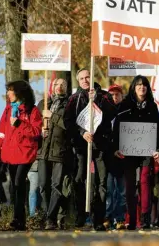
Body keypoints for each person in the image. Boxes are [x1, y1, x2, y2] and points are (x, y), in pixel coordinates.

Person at [0, 80, 43, 230]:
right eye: (8, 90)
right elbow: (1, 133)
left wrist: (20, 124)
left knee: (18, 183)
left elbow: (37, 132)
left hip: (25, 154)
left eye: (11, 90)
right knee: (14, 186)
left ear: (19, 92)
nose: (8, 94)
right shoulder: (7, 110)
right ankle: (18, 219)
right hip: (9, 155)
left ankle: (19, 219)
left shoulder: (33, 111)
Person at [64, 69, 115, 231]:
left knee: (101, 182)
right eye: (82, 78)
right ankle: (80, 214)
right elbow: (68, 121)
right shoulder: (74, 99)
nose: (85, 80)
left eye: (87, 77)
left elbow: (112, 113)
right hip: (81, 147)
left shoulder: (104, 95)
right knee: (79, 180)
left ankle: (98, 218)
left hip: (100, 147)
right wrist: (82, 133)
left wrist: (98, 100)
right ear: (78, 81)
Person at [113, 76, 159, 230]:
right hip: (128, 152)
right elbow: (117, 127)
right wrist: (116, 147)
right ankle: (132, 219)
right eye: (139, 85)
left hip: (147, 151)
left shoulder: (152, 107)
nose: (142, 87)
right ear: (134, 87)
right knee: (129, 186)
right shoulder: (125, 105)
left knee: (145, 182)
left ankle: (146, 218)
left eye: (145, 85)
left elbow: (158, 128)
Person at [37, 78, 71, 230]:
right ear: (52, 86)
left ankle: (51, 218)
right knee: (43, 185)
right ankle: (46, 214)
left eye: (63, 85)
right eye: (57, 84)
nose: (60, 87)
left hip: (60, 151)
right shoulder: (43, 103)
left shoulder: (70, 104)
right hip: (43, 151)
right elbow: (33, 125)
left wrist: (52, 116)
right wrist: (40, 130)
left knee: (56, 186)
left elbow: (69, 125)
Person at [105, 84, 127, 230]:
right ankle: (107, 217)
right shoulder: (104, 112)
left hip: (124, 156)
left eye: (117, 94)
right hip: (108, 155)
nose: (114, 97)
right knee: (108, 188)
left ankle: (120, 219)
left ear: (121, 96)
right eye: (112, 95)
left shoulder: (126, 112)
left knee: (121, 190)